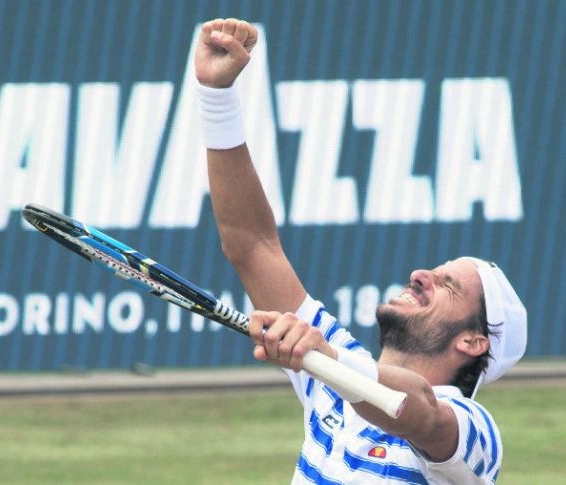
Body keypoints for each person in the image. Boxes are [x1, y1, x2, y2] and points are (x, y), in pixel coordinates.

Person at [194, 18, 527, 484]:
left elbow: (421, 410)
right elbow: (252, 245)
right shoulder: (332, 367)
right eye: (434, 271)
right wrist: (217, 96)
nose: (419, 275)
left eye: (447, 285)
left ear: (472, 342)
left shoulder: (476, 435)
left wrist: (328, 358)